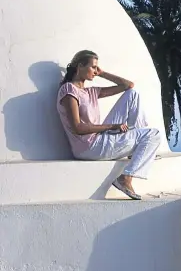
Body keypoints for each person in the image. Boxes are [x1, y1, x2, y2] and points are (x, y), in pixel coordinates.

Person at [56, 50, 162, 200]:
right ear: (80, 66)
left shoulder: (90, 91)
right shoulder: (68, 90)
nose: (95, 71)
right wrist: (112, 126)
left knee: (133, 94)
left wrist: (102, 73)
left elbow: (128, 85)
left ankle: (135, 151)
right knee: (153, 134)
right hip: (89, 147)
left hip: (99, 139)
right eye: (93, 67)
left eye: (96, 68)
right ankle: (126, 178)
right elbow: (77, 128)